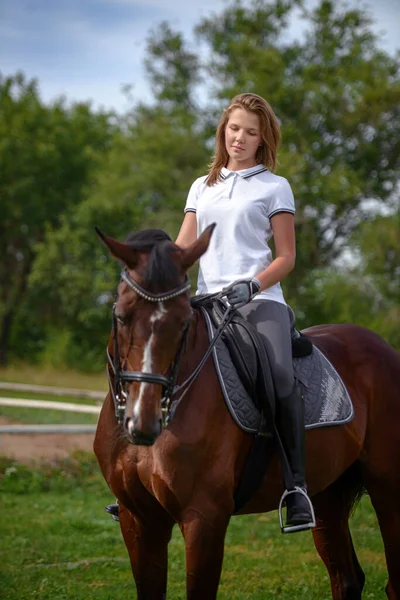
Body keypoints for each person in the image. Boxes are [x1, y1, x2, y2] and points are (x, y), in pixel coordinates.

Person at [175, 92, 315, 532]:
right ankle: (143, 482)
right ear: (224, 130)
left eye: (250, 132)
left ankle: (297, 489)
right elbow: (183, 248)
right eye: (234, 128)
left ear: (262, 139)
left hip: (259, 301)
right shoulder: (202, 185)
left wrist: (253, 284)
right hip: (206, 301)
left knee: (279, 375)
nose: (240, 137)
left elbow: (286, 257)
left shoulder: (275, 186)